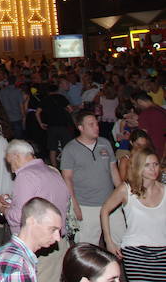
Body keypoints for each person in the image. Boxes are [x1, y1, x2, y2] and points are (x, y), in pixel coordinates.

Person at [0, 140, 71, 282]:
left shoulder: (25, 176)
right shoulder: (52, 171)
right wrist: (11, 202)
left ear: (16, 156)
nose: (12, 170)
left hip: (40, 245)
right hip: (58, 242)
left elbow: (20, 216)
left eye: (10, 164)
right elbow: (38, 206)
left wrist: (1, 209)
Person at [99, 147, 165, 281]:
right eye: (147, 165)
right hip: (135, 251)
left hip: (163, 250)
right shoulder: (126, 189)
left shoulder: (164, 190)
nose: (153, 169)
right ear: (139, 167)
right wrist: (108, 241)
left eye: (155, 164)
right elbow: (105, 209)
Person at [60, 111, 125, 246]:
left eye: (96, 123)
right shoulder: (70, 149)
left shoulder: (105, 143)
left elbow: (113, 170)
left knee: (120, 241)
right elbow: (67, 179)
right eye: (91, 124)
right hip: (86, 205)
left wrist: (122, 194)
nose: (96, 127)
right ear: (81, 128)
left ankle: (115, 266)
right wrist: (75, 205)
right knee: (88, 246)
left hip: (111, 203)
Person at [0, 197, 63, 282]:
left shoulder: (6, 250)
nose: (58, 238)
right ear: (31, 222)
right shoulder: (19, 268)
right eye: (53, 229)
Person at [133, 92, 166, 159]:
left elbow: (142, 136)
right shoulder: (163, 111)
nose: (136, 107)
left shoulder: (145, 114)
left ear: (140, 102)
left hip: (153, 152)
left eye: (135, 104)